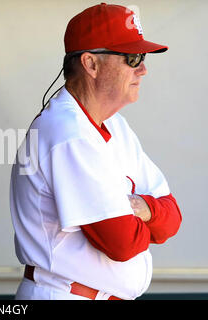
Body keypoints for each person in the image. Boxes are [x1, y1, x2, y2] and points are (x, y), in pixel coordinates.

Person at [10, 3, 182, 300]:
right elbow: (122, 242)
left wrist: (145, 207)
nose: (143, 68)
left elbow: (172, 218)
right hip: (65, 294)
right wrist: (147, 218)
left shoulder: (117, 126)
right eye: (132, 57)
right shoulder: (66, 131)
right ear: (91, 64)